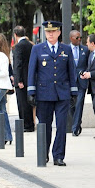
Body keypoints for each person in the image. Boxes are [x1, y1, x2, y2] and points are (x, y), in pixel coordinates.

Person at [27, 21, 78, 166]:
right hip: (44, 93)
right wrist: (31, 91)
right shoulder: (37, 49)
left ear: (59, 32)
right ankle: (44, 153)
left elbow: (71, 71)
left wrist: (73, 91)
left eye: (53, 31)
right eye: (48, 31)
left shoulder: (66, 49)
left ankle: (59, 156)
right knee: (45, 125)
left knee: (61, 126)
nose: (50, 34)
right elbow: (32, 71)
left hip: (62, 93)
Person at [11, 26, 35, 132]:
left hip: (22, 80)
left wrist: (18, 79)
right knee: (28, 103)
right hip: (30, 78)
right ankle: (30, 123)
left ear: (15, 35)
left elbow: (18, 64)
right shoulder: (31, 45)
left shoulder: (18, 46)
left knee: (22, 103)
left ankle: (26, 124)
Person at [68, 30, 90, 136]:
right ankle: (77, 123)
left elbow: (88, 64)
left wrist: (85, 72)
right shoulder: (66, 49)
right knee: (71, 105)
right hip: (69, 81)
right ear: (71, 38)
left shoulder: (85, 50)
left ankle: (75, 128)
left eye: (80, 37)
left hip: (81, 81)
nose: (79, 39)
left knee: (79, 103)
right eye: (77, 38)